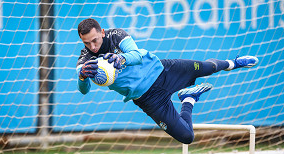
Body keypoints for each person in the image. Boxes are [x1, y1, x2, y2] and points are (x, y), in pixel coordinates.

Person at [76, 18, 259, 144]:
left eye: (94, 40)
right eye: (87, 43)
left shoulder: (116, 34)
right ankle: (189, 99)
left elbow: (137, 55)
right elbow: (84, 90)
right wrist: (82, 77)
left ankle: (233, 63)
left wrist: (123, 59)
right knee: (187, 136)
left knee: (207, 68)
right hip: (149, 99)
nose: (93, 47)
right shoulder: (86, 60)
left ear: (102, 32)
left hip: (163, 71)